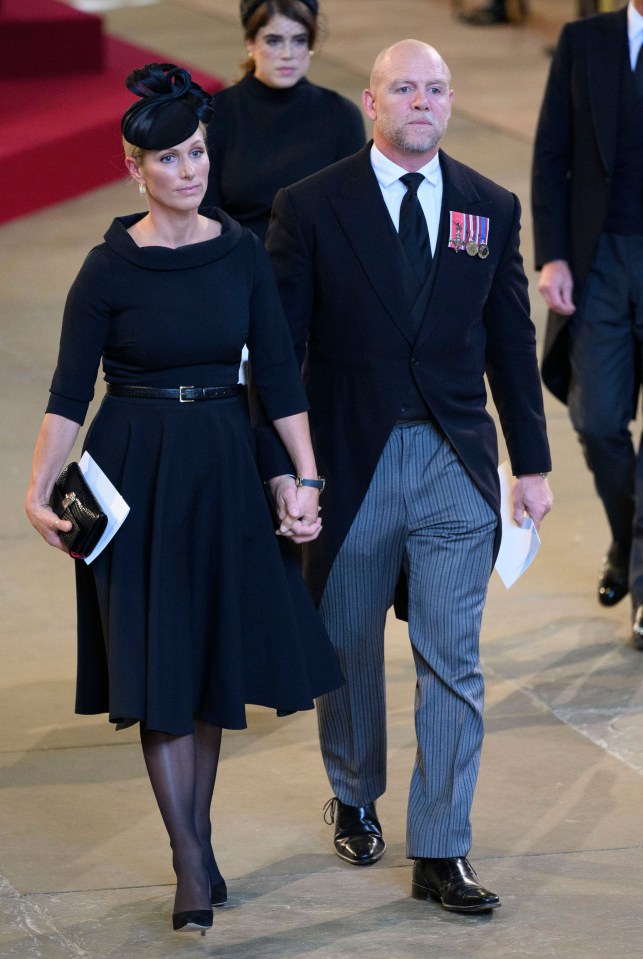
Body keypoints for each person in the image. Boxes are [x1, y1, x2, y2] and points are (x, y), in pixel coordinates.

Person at [24, 62, 343, 936]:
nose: (190, 169)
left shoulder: (241, 250)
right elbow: (66, 391)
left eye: (197, 152)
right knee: (159, 665)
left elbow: (277, 373)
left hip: (224, 465)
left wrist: (305, 474)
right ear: (135, 169)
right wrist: (37, 484)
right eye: (168, 159)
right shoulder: (107, 268)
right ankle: (191, 861)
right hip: (133, 472)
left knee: (204, 669)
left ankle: (194, 846)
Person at [264, 39, 553, 913]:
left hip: (454, 460)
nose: (420, 102)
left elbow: (511, 338)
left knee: (451, 661)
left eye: (434, 89)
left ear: (450, 102)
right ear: (370, 101)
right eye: (403, 89)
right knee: (347, 644)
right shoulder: (310, 206)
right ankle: (354, 790)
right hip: (347, 457)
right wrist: (289, 472)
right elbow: (278, 354)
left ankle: (441, 847)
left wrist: (531, 464)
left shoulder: (487, 206)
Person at [531, 1, 643, 645]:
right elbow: (552, 155)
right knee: (596, 420)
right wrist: (553, 255)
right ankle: (631, 543)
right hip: (598, 260)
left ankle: (642, 582)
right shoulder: (584, 42)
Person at [201, 0, 365, 242]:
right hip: (239, 261)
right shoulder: (219, 112)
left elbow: (353, 212)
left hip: (317, 265)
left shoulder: (341, 115)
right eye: (273, 41)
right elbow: (205, 214)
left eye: (299, 40)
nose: (287, 54)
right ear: (250, 43)